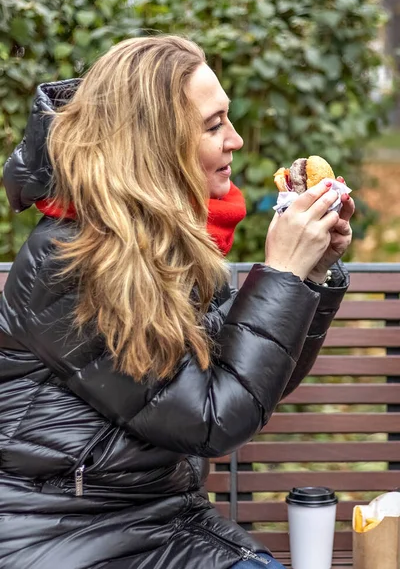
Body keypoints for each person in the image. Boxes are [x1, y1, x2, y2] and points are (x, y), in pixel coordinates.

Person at [0, 35, 354, 569]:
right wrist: (281, 274)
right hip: (70, 539)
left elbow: (250, 381)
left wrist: (310, 275)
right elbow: (214, 418)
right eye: (213, 126)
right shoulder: (70, 260)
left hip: (165, 524)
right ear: (154, 142)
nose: (234, 140)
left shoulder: (169, 241)